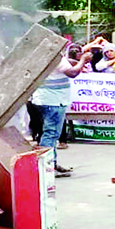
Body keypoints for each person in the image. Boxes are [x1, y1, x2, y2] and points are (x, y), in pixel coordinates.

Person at [32, 48, 92, 177]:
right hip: (53, 100)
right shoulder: (55, 57)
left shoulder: (43, 54)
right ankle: (47, 168)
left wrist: (75, 61)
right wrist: (83, 60)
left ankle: (51, 164)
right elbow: (72, 73)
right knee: (51, 134)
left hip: (44, 98)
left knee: (49, 133)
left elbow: (66, 63)